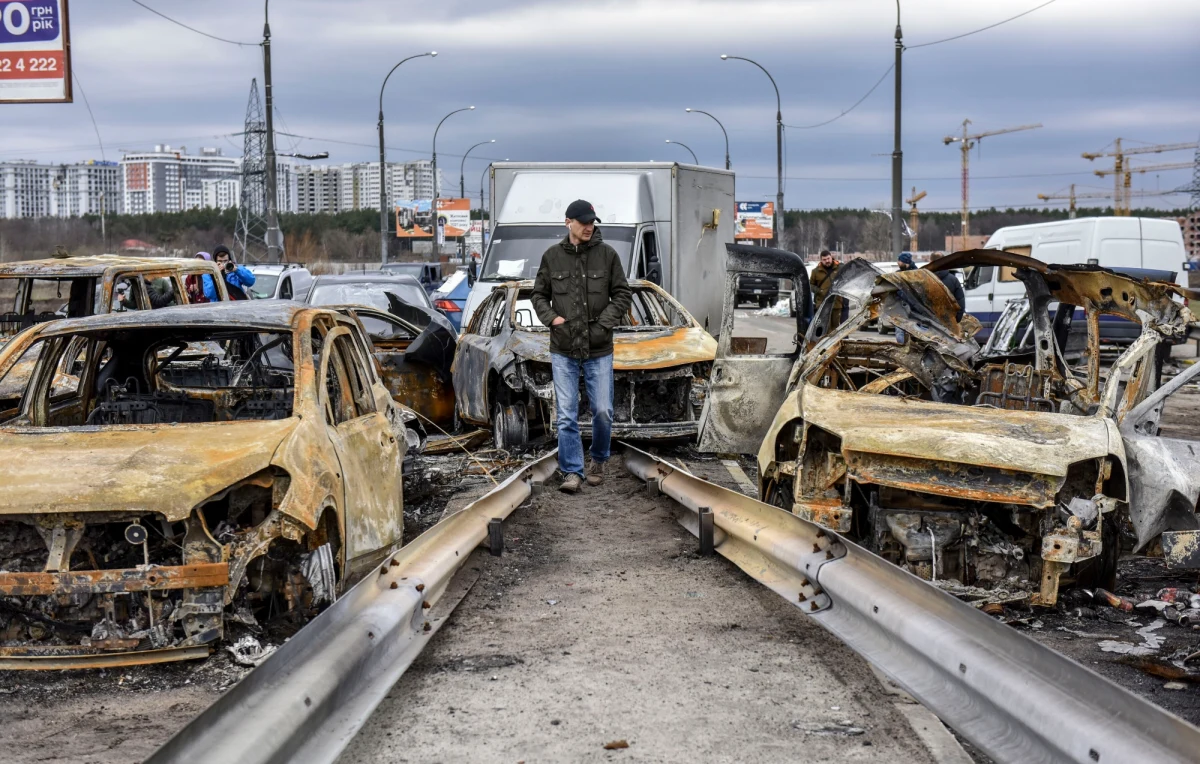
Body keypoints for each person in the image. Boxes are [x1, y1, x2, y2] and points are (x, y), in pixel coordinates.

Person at [531, 199, 632, 494]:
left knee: (602, 410)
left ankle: (599, 460)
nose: (590, 226)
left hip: (599, 348)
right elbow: (538, 295)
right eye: (584, 222)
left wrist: (604, 324)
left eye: (592, 222)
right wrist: (553, 319)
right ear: (568, 222)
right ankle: (572, 472)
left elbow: (622, 294)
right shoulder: (551, 257)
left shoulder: (608, 255)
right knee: (566, 414)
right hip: (562, 348)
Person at [930, 252, 965, 322]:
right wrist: (956, 320)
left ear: (931, 262)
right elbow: (960, 301)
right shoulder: (953, 280)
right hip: (949, 321)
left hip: (930, 322)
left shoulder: (924, 279)